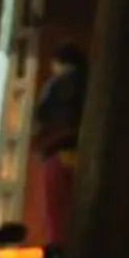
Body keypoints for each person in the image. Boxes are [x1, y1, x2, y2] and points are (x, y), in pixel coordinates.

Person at [30, 42, 87, 245]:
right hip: (85, 157)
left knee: (56, 213)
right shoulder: (93, 83)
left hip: (57, 153)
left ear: (60, 63)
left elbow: (41, 116)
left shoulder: (56, 85)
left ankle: (58, 257)